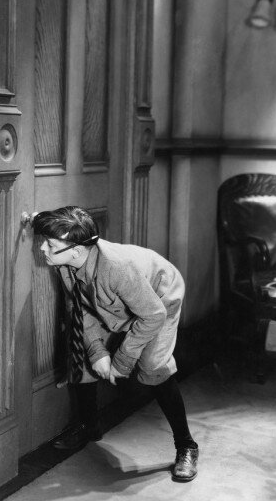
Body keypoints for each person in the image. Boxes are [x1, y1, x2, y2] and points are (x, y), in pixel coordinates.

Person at [32, 206, 199, 482]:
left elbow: (152, 314)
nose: (42, 249)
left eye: (50, 244)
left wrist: (121, 362)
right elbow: (78, 307)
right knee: (83, 348)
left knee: (153, 366)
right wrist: (97, 352)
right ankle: (89, 426)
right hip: (122, 301)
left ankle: (186, 446)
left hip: (159, 300)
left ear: (76, 250)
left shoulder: (117, 268)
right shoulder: (65, 264)